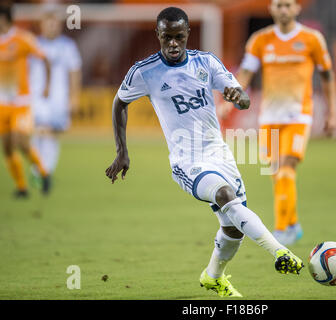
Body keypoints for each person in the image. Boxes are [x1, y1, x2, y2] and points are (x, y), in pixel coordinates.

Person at [105, 7, 304, 298]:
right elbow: (119, 103)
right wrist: (122, 151)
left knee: (233, 227)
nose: (173, 44)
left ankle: (213, 277)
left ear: (187, 35)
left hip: (219, 154)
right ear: (157, 35)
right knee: (226, 196)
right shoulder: (144, 72)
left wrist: (238, 97)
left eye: (179, 37)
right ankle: (280, 252)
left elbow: (243, 98)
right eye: (167, 37)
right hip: (187, 161)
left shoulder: (206, 63)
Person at [232, 0, 336, 245]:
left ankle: (280, 231)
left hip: (298, 116)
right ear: (271, 9)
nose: (283, 10)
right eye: (278, 5)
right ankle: (293, 224)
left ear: (296, 9)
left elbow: (327, 75)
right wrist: (232, 97)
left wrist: (333, 113)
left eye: (287, 5)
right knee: (277, 174)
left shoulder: (312, 39)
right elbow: (246, 72)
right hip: (269, 119)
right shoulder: (260, 40)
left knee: (286, 170)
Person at [0, 2, 51, 197]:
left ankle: (44, 173)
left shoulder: (22, 39)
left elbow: (44, 59)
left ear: (3, 19)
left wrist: (46, 85)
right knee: (7, 148)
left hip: (21, 103)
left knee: (20, 142)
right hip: (2, 105)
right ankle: (21, 187)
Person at [29, 7, 82, 186]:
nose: (51, 26)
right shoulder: (32, 44)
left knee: (52, 134)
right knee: (37, 131)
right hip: (37, 98)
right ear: (42, 25)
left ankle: (45, 172)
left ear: (59, 25)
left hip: (59, 98)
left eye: (54, 23)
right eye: (48, 23)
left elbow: (75, 72)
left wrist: (74, 97)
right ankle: (39, 171)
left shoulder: (68, 46)